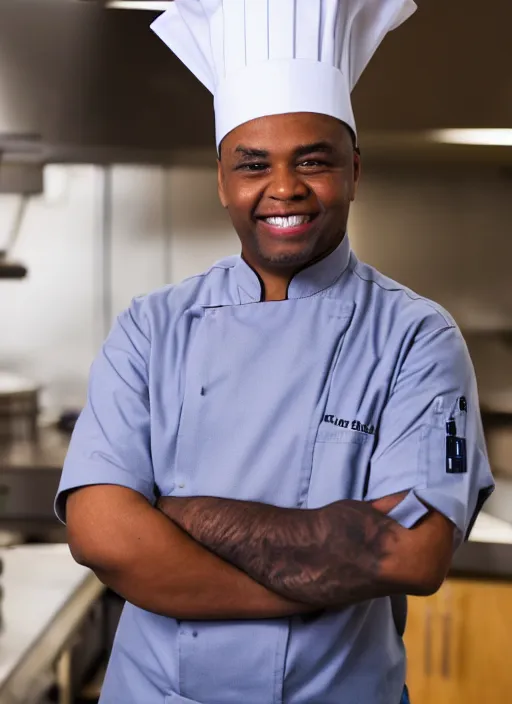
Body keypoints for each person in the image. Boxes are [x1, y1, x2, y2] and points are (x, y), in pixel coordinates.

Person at [55, 1, 494, 703]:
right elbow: (103, 533)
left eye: (312, 162)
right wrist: (313, 584)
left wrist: (179, 514)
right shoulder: (151, 327)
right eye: (253, 164)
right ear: (223, 180)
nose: (283, 189)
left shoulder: (417, 336)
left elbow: (412, 553)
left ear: (353, 168)